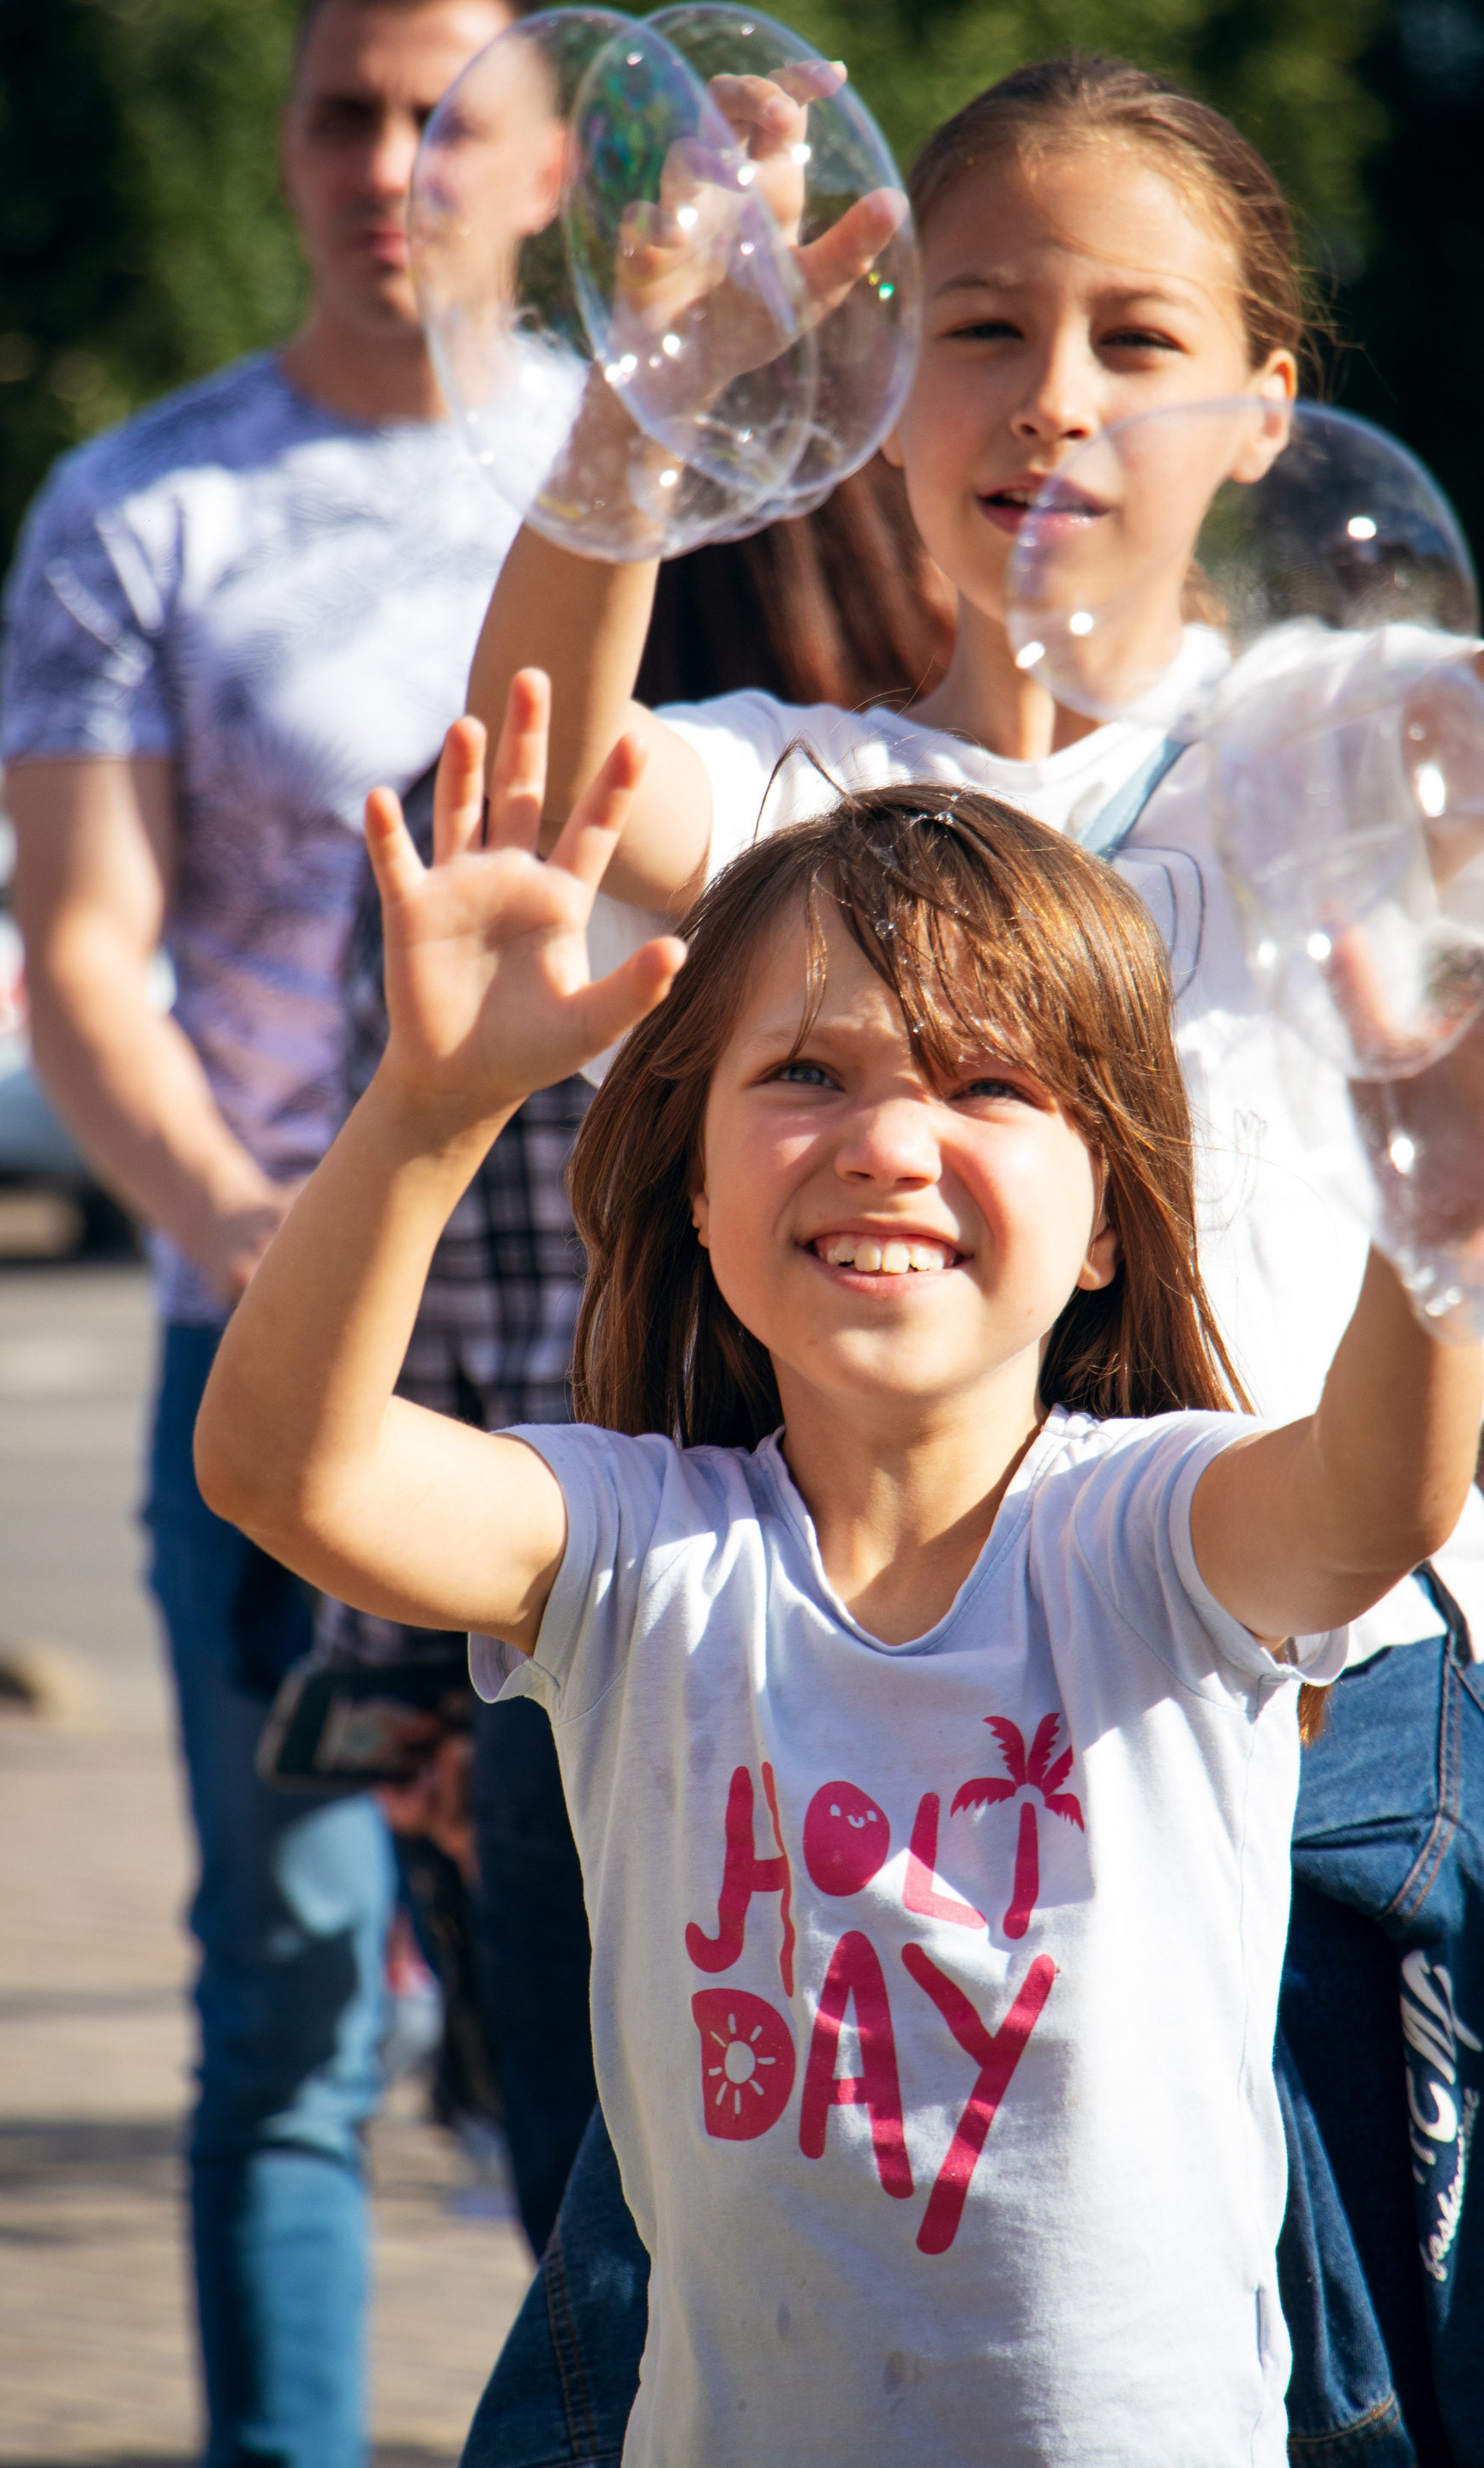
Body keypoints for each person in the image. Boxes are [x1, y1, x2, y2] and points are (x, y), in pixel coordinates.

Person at [460, 57, 1484, 2463]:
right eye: (986, 326)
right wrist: (644, 408)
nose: (1056, 396)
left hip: (1326, 1706)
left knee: (1331, 2362)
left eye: (1140, 338)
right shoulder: (804, 784)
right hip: (828, 1713)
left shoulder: (1358, 733)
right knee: (748, 2309)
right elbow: (530, 776)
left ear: (1269, 413)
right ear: (879, 386)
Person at [191, 694, 1482, 2464]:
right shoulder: (638, 1550)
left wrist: (1440, 1227)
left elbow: (1379, 1497)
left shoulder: (1152, 1533)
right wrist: (427, 1110)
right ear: (692, 1187)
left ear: (1111, 1222)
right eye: (808, 1073)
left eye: (990, 1085)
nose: (886, 1141)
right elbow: (287, 1469)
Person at [0, 3, 523, 2459]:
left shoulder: (663, 488)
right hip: (272, 1347)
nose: (391, 163)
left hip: (609, 1357)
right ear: (290, 144)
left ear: (556, 159)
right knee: (296, 2008)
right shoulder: (143, 504)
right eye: (344, 113)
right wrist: (249, 1233)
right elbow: (88, 954)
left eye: (449, 117)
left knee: (634, 2001)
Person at [316, 449, 953, 2258]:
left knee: (614, 2255)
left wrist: (405, 1684)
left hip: (553, 1575)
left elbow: (419, 1301)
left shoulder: (476, 836)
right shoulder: (954, 843)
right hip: (858, 1555)